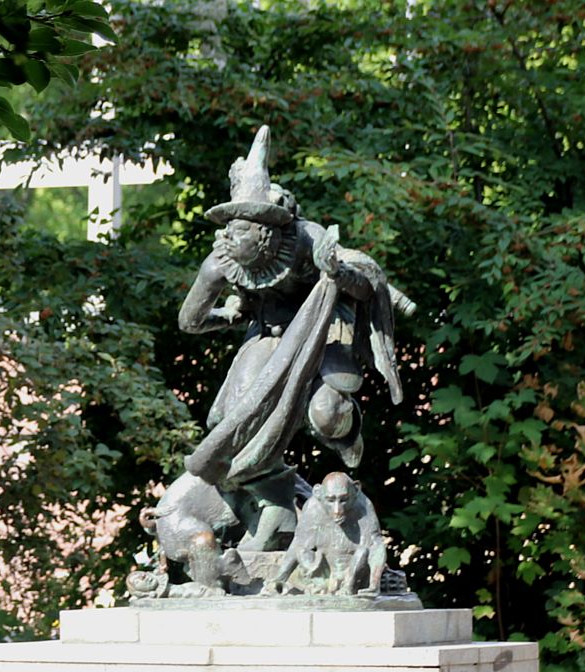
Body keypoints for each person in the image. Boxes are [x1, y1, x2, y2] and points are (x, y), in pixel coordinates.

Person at [143, 126, 411, 593]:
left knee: (327, 414)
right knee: (235, 419)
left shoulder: (305, 239)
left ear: (266, 231)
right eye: (227, 228)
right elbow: (191, 320)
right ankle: (272, 501)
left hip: (324, 330)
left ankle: (344, 432)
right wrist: (228, 316)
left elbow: (363, 286)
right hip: (269, 338)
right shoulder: (220, 262)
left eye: (240, 229)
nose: (229, 237)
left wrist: (337, 271)